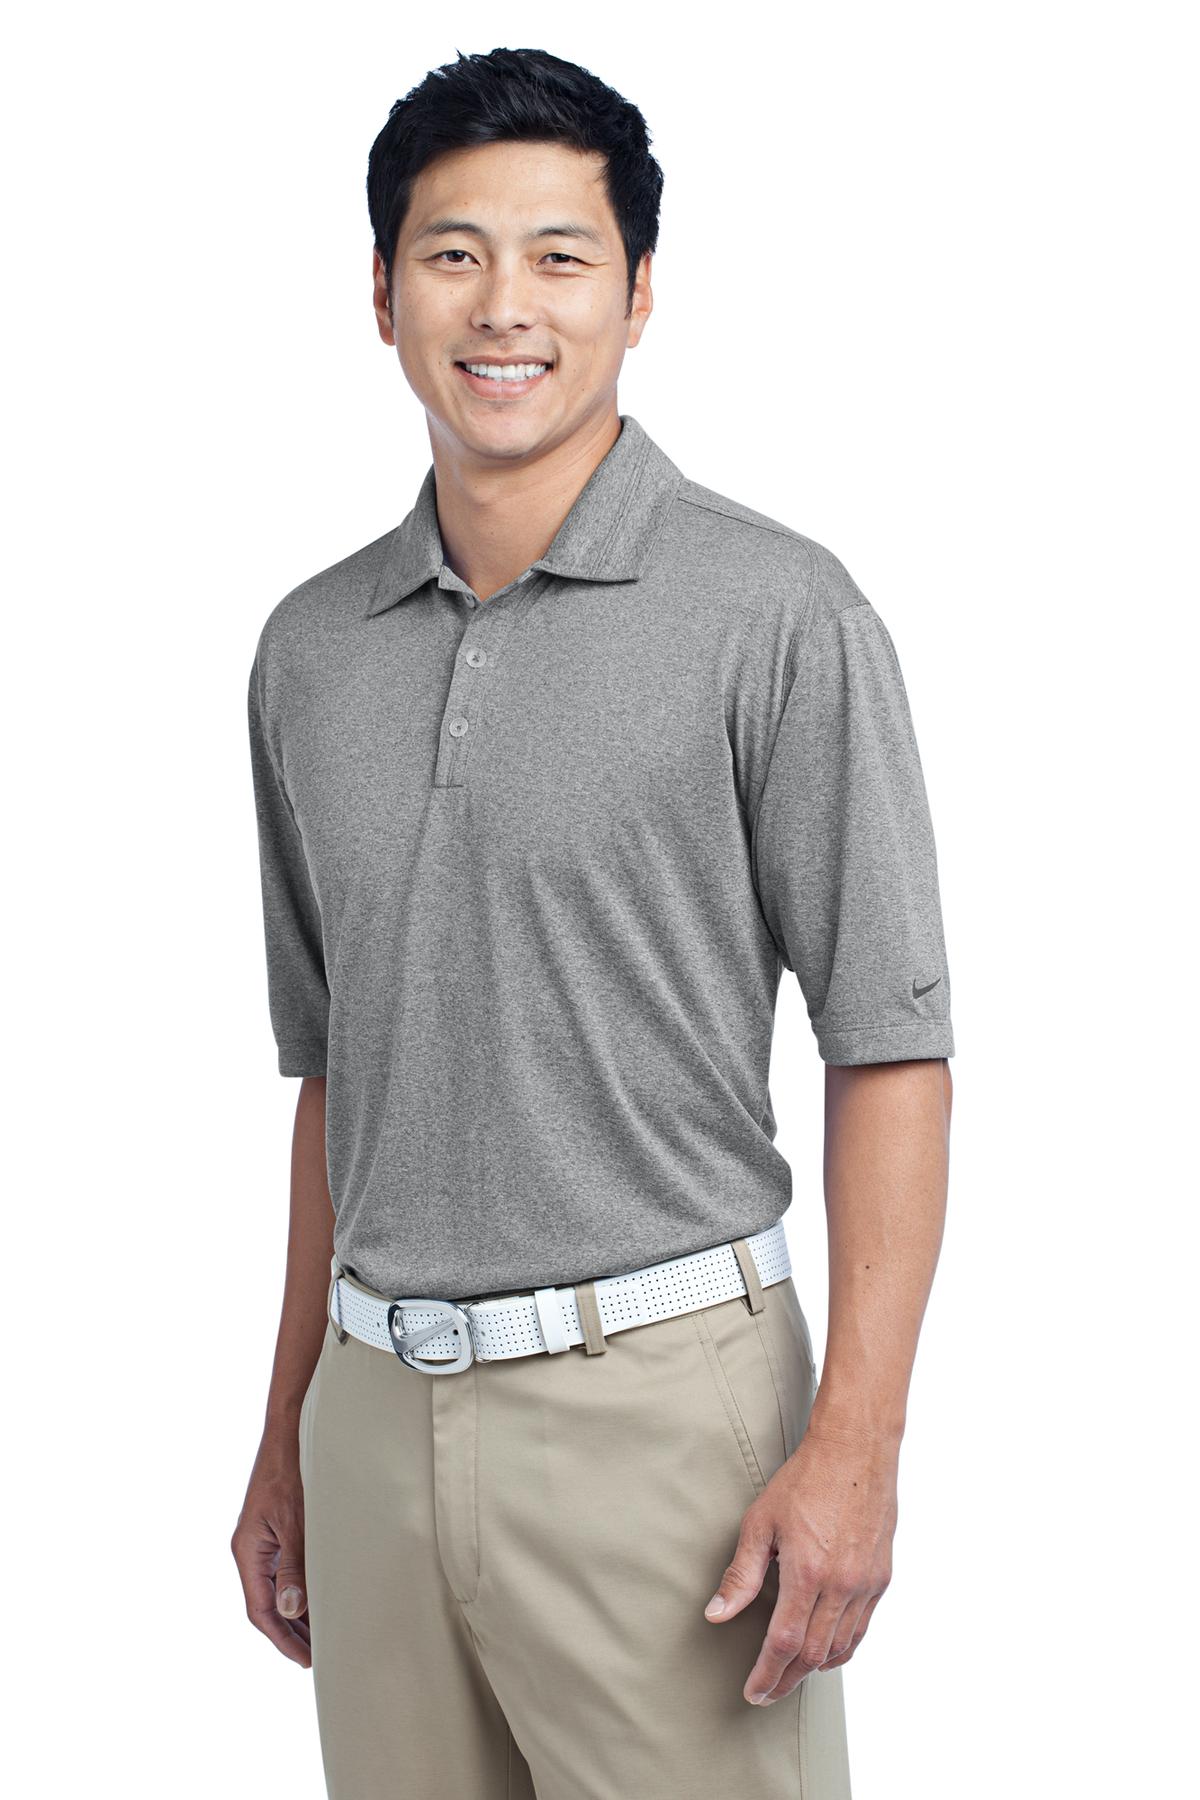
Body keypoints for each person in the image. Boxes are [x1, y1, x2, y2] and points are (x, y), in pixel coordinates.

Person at [231, 45, 954, 1800]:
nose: (504, 305)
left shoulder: (778, 612)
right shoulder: (308, 651)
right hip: (374, 1420)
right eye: (452, 252)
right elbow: (339, 1076)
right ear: (382, 293)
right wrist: (288, 1426)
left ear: (638, 296)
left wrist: (858, 1445)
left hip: (667, 1426)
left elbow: (891, 1045)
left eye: (560, 257)